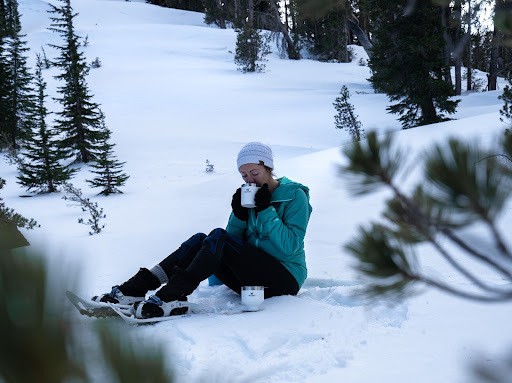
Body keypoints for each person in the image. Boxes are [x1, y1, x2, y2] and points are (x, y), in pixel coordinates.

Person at [93, 142, 312, 318]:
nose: (249, 180)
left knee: (218, 237)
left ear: (268, 167)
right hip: (250, 280)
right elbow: (231, 245)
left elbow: (290, 247)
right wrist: (239, 214)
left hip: (284, 279)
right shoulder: (250, 198)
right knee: (201, 239)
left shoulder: (295, 196)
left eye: (254, 172)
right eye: (244, 175)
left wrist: (265, 210)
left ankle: (172, 295)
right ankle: (135, 289)